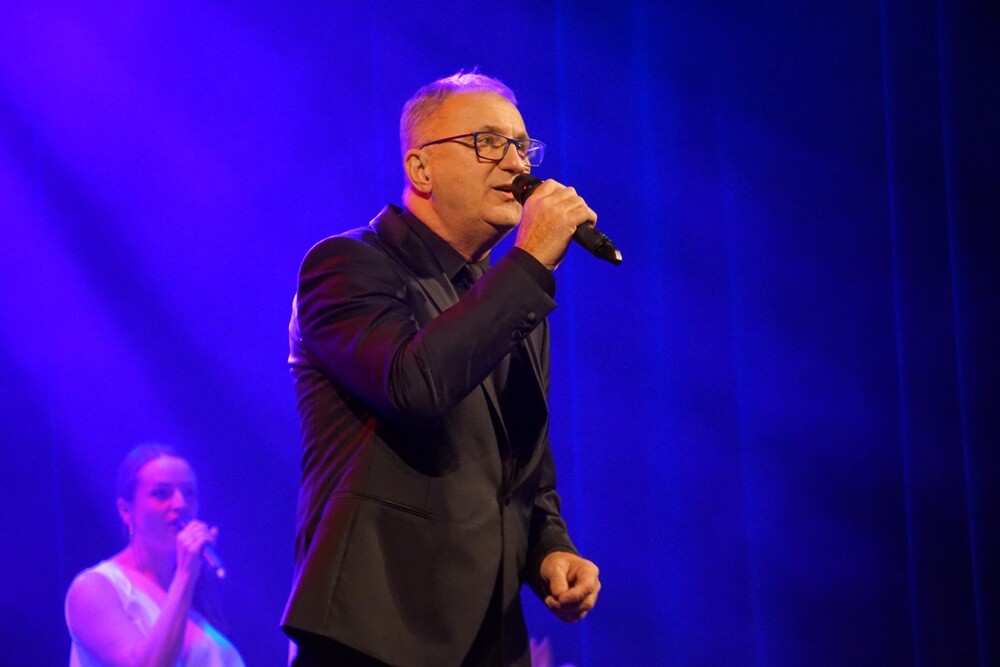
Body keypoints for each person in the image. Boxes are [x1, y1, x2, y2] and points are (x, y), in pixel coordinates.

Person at [282, 71, 601, 667]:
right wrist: (530, 261)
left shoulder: (512, 298)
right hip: (376, 633)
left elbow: (524, 471)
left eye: (521, 146)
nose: (516, 165)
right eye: (488, 142)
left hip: (490, 641)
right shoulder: (348, 266)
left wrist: (551, 551)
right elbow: (413, 385)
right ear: (421, 169)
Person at [65, 444, 245, 667]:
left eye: (189, 493)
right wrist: (185, 576)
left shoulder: (194, 595)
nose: (180, 504)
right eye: (162, 493)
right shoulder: (95, 587)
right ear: (126, 511)